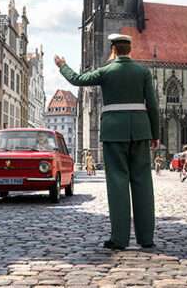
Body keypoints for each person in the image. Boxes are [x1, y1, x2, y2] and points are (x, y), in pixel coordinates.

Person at [56, 33, 159, 250]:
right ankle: (146, 238)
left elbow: (77, 80)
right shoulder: (143, 72)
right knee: (143, 183)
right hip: (140, 131)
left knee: (117, 183)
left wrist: (62, 65)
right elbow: (152, 104)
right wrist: (155, 134)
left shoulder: (106, 71)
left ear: (113, 50)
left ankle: (119, 239)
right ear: (130, 49)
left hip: (114, 132)